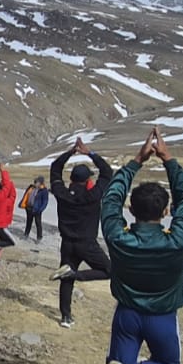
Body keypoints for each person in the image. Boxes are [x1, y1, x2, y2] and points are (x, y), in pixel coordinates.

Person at [86, 126, 183, 364]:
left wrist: (136, 161)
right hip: (163, 315)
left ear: (131, 211)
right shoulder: (177, 240)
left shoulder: (119, 237)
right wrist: (169, 160)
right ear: (166, 212)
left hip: (127, 314)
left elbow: (109, 200)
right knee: (167, 363)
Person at [48, 136, 114, 328]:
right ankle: (75, 275)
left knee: (66, 276)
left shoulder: (62, 193)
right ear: (87, 181)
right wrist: (89, 153)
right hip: (87, 243)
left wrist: (69, 153)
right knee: (109, 270)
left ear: (72, 180)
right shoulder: (92, 196)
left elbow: (55, 169)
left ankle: (66, 317)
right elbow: (107, 173)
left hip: (67, 243)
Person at [20, 175, 49, 242]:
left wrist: (40, 210)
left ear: (41, 183)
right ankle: (26, 235)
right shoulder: (31, 188)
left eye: (37, 182)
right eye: (35, 182)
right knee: (28, 222)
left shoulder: (43, 190)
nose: (35, 183)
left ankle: (39, 237)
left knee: (38, 223)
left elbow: (45, 201)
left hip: (37, 210)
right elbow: (26, 195)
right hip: (29, 208)